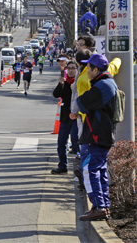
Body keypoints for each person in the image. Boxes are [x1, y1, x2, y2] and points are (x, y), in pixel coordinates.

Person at [75, 54, 118, 221]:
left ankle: (100, 206)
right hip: (101, 134)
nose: (87, 71)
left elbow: (82, 103)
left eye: (89, 67)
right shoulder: (106, 83)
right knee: (99, 170)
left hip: (98, 135)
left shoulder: (103, 86)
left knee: (92, 170)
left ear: (96, 69)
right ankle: (103, 206)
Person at [51, 60, 77, 174]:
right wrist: (61, 83)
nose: (71, 70)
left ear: (77, 70)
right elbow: (56, 94)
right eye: (69, 68)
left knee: (77, 141)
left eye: (73, 68)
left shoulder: (80, 82)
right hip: (66, 117)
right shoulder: (65, 83)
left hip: (77, 117)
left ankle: (80, 168)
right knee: (62, 142)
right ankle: (62, 165)